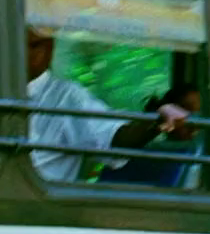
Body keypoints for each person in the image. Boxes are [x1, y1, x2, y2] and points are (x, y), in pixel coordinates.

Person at [25, 27, 192, 182]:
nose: (21, 52)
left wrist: (157, 120)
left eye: (32, 45)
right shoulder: (8, 92)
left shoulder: (65, 97)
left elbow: (114, 138)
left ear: (49, 47)